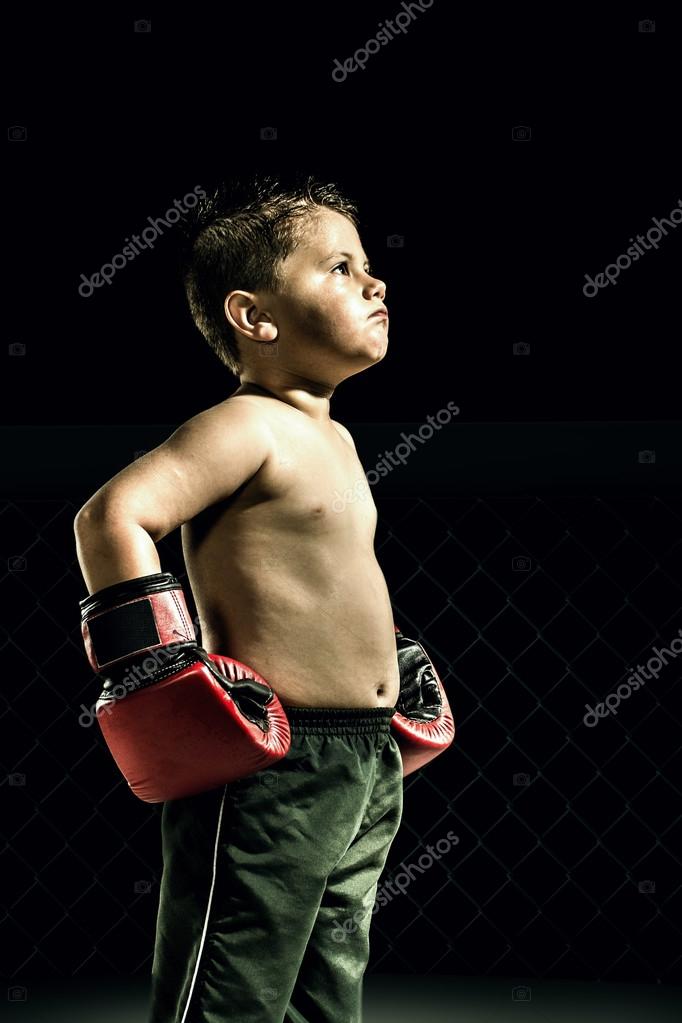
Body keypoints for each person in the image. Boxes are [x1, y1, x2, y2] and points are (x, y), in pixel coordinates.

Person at [74, 173, 435, 1023]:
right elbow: (113, 516)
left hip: (365, 757)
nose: (374, 281)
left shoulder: (336, 438)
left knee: (328, 987)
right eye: (340, 267)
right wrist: (161, 677)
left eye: (368, 264)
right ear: (254, 316)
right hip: (271, 765)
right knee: (230, 988)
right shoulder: (245, 425)